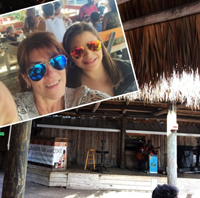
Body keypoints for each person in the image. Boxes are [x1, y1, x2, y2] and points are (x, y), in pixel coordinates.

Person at [13, 31, 110, 122]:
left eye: (57, 61)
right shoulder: (13, 107)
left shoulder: (84, 99)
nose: (51, 73)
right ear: (26, 78)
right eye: (37, 69)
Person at [62, 22, 137, 97]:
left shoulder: (131, 70)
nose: (88, 54)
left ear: (101, 45)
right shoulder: (67, 90)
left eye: (93, 45)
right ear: (70, 57)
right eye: (77, 51)